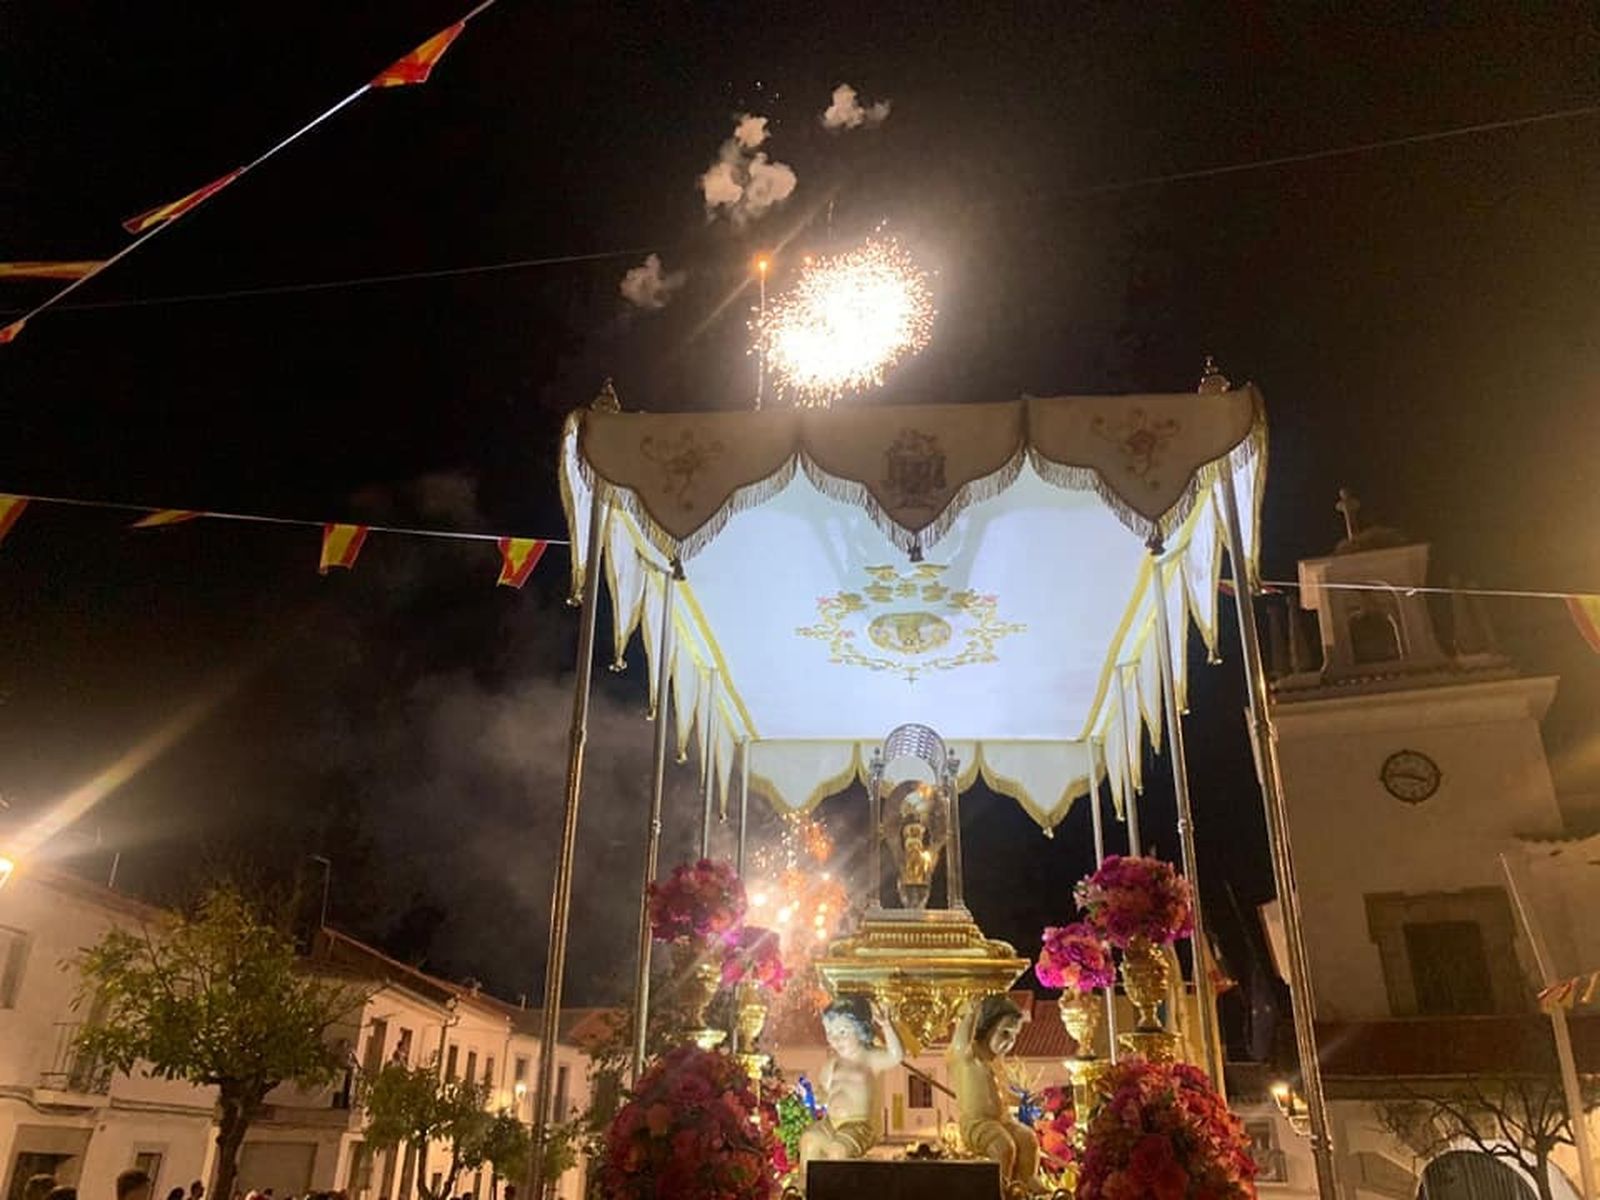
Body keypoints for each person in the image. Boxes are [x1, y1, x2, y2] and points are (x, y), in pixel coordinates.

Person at [798, 996, 904, 1178]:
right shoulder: (832, 1064)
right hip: (831, 1124)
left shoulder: (870, 1058)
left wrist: (887, 1026)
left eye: (842, 1032)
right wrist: (813, 1095)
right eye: (830, 1033)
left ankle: (836, 1192)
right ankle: (805, 1188)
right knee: (809, 1139)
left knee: (837, 1151)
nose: (835, 1039)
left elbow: (896, 1056)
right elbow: (823, 1092)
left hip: (859, 1125)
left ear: (861, 1030)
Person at [947, 995, 1040, 1192]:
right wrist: (971, 1013)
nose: (1010, 1042)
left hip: (1002, 1120)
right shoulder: (968, 1055)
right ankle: (1000, 1188)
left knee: (1028, 1138)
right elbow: (960, 1041)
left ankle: (1026, 1181)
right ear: (986, 1026)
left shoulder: (995, 1059)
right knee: (1004, 1147)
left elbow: (1000, 1094)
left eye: (1014, 1035)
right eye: (1005, 1033)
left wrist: (1025, 1101)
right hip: (977, 1123)